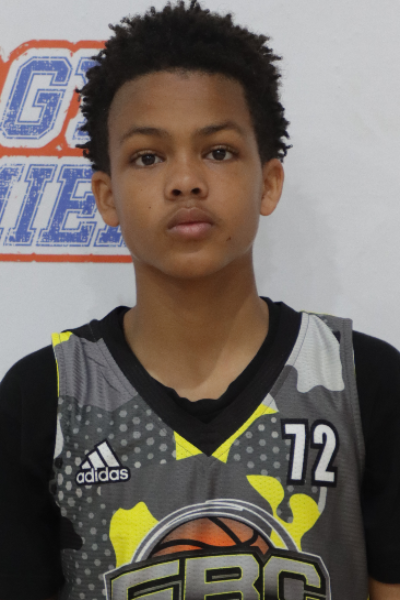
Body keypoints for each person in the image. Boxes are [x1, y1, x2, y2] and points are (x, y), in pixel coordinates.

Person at [1, 1, 400, 598]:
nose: (185, 180)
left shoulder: (365, 386)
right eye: (148, 156)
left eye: (218, 152)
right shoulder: (44, 400)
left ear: (268, 182)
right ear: (107, 197)